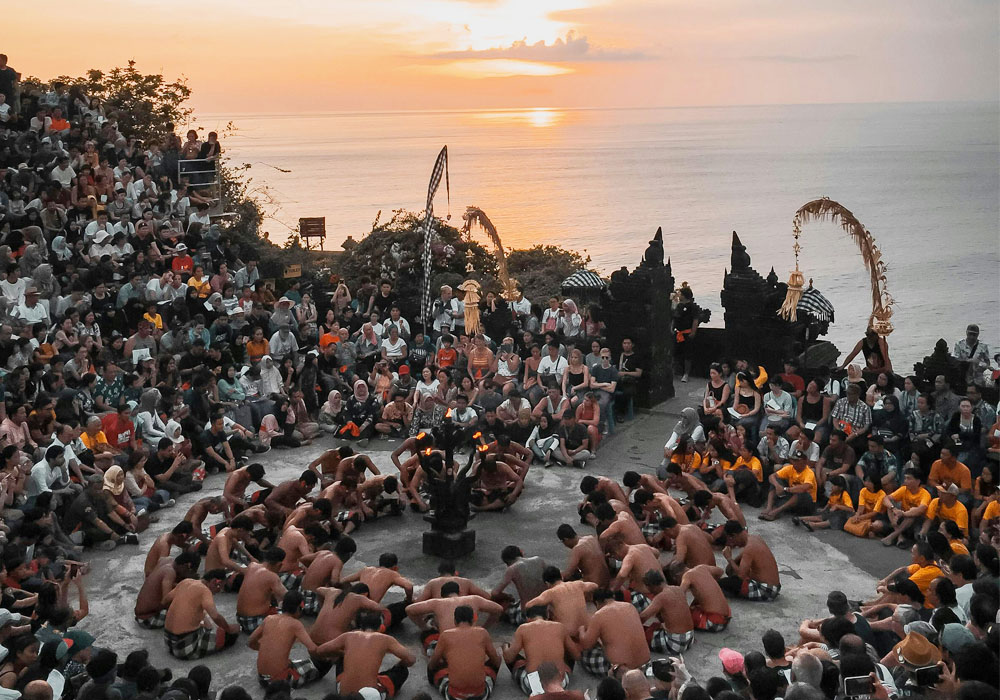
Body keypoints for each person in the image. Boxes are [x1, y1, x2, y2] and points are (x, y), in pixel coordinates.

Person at [316, 609, 416, 697]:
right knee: (402, 671)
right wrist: (400, 664)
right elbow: (411, 659)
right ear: (380, 628)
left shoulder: (348, 636)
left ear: (360, 628)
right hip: (368, 696)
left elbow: (321, 650)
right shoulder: (385, 639)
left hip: (343, 693)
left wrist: (344, 654)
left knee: (341, 657)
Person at [249, 590, 331, 688]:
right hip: (280, 681)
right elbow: (313, 649)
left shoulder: (269, 619)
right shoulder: (295, 624)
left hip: (262, 679)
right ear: (298, 608)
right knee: (322, 663)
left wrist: (267, 650)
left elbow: (250, 641)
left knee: (295, 662)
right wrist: (328, 654)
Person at [426, 604, 502, 700]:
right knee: (496, 658)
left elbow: (432, 664)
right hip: (481, 695)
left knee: (434, 663)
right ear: (472, 620)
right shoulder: (482, 633)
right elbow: (495, 661)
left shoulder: (446, 635)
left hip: (454, 696)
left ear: (455, 621)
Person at [163, 570, 240, 660]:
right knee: (231, 634)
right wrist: (228, 629)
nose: (218, 591)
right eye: (219, 587)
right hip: (184, 648)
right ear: (214, 581)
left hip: (168, 641)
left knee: (205, 621)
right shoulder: (204, 590)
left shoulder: (185, 582)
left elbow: (165, 600)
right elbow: (215, 616)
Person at [502, 608, 580, 696]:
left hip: (533, 686)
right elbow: (576, 655)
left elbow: (509, 658)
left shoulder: (523, 629)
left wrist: (505, 647)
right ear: (547, 616)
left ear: (528, 619)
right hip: (560, 683)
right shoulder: (560, 626)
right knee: (569, 652)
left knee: (510, 653)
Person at [577, 588, 651, 676]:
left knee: (583, 653)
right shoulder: (630, 606)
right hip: (645, 664)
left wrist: (581, 630)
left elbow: (586, 644)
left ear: (597, 603)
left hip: (620, 670)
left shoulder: (599, 615)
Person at [718, 520, 781, 601]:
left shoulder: (749, 548)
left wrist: (729, 559)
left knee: (720, 584)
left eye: (732, 541)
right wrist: (733, 563)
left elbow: (740, 576)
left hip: (767, 590)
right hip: (774, 587)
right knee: (730, 577)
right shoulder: (755, 538)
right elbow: (731, 568)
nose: (733, 545)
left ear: (733, 535)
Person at [760, 451, 817, 521]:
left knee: (801, 493)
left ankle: (776, 511)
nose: (794, 463)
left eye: (797, 461)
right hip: (792, 498)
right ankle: (768, 508)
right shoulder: (790, 468)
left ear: (804, 461)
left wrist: (785, 489)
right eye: (794, 460)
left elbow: (804, 488)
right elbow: (772, 476)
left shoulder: (809, 473)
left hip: (806, 503)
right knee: (776, 480)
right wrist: (777, 485)